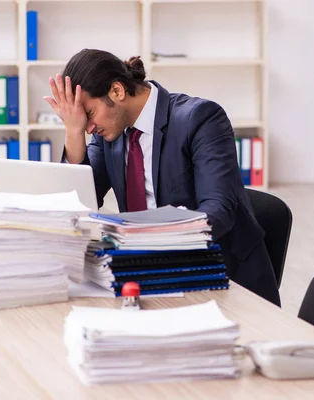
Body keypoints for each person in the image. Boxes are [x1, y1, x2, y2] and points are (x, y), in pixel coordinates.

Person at [44, 49, 281, 307]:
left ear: (116, 91)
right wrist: (74, 130)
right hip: (150, 275)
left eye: (89, 114)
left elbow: (218, 210)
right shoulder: (108, 134)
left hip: (222, 278)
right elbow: (80, 202)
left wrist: (149, 245)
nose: (89, 127)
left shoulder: (201, 118)